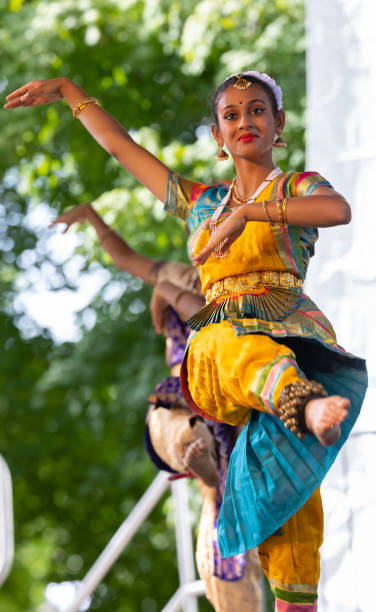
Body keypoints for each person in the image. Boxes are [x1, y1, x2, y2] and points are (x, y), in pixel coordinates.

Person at [6, 70, 368, 610]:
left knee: (294, 516)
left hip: (295, 335)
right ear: (219, 136)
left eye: (257, 110)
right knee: (230, 341)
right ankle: (300, 400)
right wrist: (68, 91)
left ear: (279, 124)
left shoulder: (298, 187)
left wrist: (249, 212)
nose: (245, 120)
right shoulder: (198, 202)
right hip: (220, 356)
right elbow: (121, 146)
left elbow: (338, 210)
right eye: (231, 114)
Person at [50, 202, 263, 611]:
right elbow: (126, 258)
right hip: (184, 401)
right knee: (171, 419)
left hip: (222, 395)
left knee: (222, 548)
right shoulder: (181, 272)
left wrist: (168, 293)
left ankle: (206, 462)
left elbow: (198, 317)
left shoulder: (237, 290)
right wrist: (91, 216)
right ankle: (195, 453)